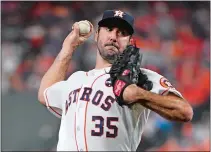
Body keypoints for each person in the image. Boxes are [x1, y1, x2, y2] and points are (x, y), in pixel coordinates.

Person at [38, 10, 193, 151]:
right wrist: (68, 47)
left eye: (122, 32)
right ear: (97, 35)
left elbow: (184, 111)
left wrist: (139, 94)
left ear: (130, 42)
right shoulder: (76, 78)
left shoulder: (140, 77)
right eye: (109, 30)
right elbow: (45, 94)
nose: (113, 36)